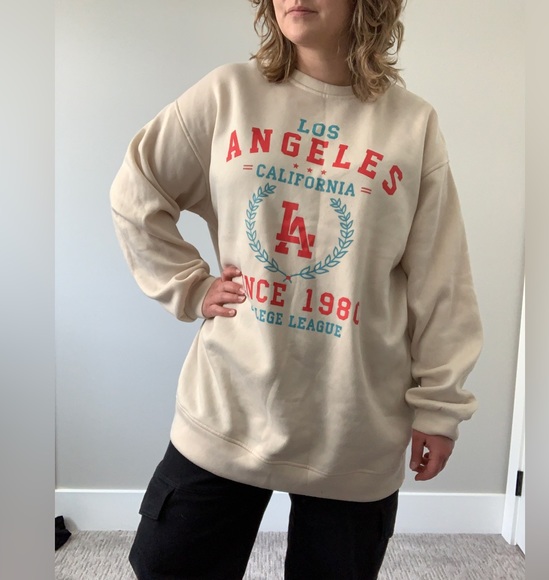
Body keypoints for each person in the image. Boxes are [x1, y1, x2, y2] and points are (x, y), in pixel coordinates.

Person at [110, 0, 483, 578]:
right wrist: (190, 285)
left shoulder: (412, 125)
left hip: (355, 418)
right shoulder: (228, 94)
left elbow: (443, 277)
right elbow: (138, 190)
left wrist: (440, 405)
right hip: (230, 402)